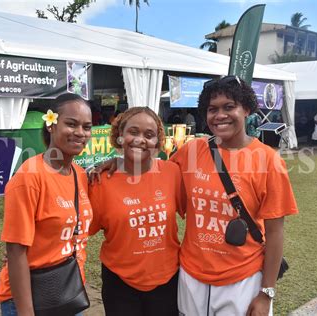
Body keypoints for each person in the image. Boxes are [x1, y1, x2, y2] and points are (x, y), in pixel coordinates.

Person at [171, 76, 298, 315]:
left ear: (247, 108)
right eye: (212, 109)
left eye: (229, 107)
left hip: (242, 279)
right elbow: (154, 174)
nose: (220, 115)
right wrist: (119, 162)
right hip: (191, 276)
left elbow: (275, 232)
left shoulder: (268, 160)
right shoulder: (192, 151)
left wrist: (266, 293)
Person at [0, 93, 94, 315]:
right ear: (51, 125)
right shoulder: (29, 177)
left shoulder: (79, 175)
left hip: (68, 292)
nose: (80, 133)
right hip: (29, 299)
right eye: (71, 124)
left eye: (86, 127)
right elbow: (16, 251)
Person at [89, 107, 184, 316]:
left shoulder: (173, 172)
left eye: (149, 135)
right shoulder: (101, 181)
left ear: (158, 142)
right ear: (120, 136)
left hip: (167, 279)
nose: (140, 140)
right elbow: (78, 229)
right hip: (120, 282)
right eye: (133, 132)